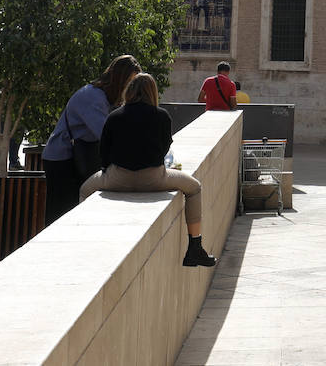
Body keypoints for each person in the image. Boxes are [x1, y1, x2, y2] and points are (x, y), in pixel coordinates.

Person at [79, 74, 218, 267]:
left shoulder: (114, 116)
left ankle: (86, 243)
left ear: (129, 91)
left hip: (117, 179)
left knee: (84, 190)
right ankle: (195, 248)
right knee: (194, 188)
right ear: (152, 92)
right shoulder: (162, 116)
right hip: (154, 179)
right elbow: (164, 149)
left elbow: (104, 152)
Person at [41, 55, 142, 224]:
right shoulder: (93, 97)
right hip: (61, 159)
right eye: (129, 82)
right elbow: (107, 135)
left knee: (70, 209)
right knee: (60, 213)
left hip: (72, 156)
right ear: (120, 79)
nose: (130, 88)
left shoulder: (102, 98)